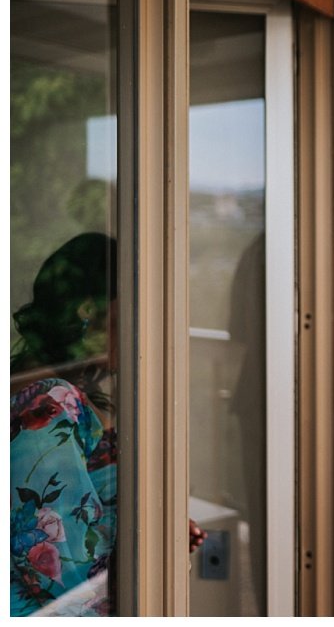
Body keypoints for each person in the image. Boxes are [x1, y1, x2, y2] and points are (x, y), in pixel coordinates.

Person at [10, 234, 205, 617]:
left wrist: (158, 527)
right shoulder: (48, 404)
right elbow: (62, 569)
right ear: (88, 311)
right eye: (135, 308)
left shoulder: (69, 397)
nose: (145, 325)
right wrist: (153, 547)